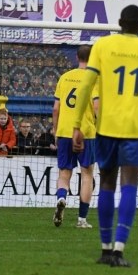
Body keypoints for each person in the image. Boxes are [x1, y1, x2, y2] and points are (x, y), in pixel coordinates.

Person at [71, 4, 138, 267]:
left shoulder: (102, 45)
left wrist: (77, 125)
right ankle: (119, 251)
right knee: (130, 186)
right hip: (135, 128)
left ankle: (104, 250)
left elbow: (87, 86)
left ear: (120, 22)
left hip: (106, 127)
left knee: (106, 185)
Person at [52, 45, 99, 229]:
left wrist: (56, 131)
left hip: (64, 131)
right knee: (87, 175)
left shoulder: (64, 78)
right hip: (85, 133)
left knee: (64, 174)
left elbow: (56, 108)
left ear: (76, 57)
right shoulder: (93, 79)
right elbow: (96, 106)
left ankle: (62, 197)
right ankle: (81, 219)